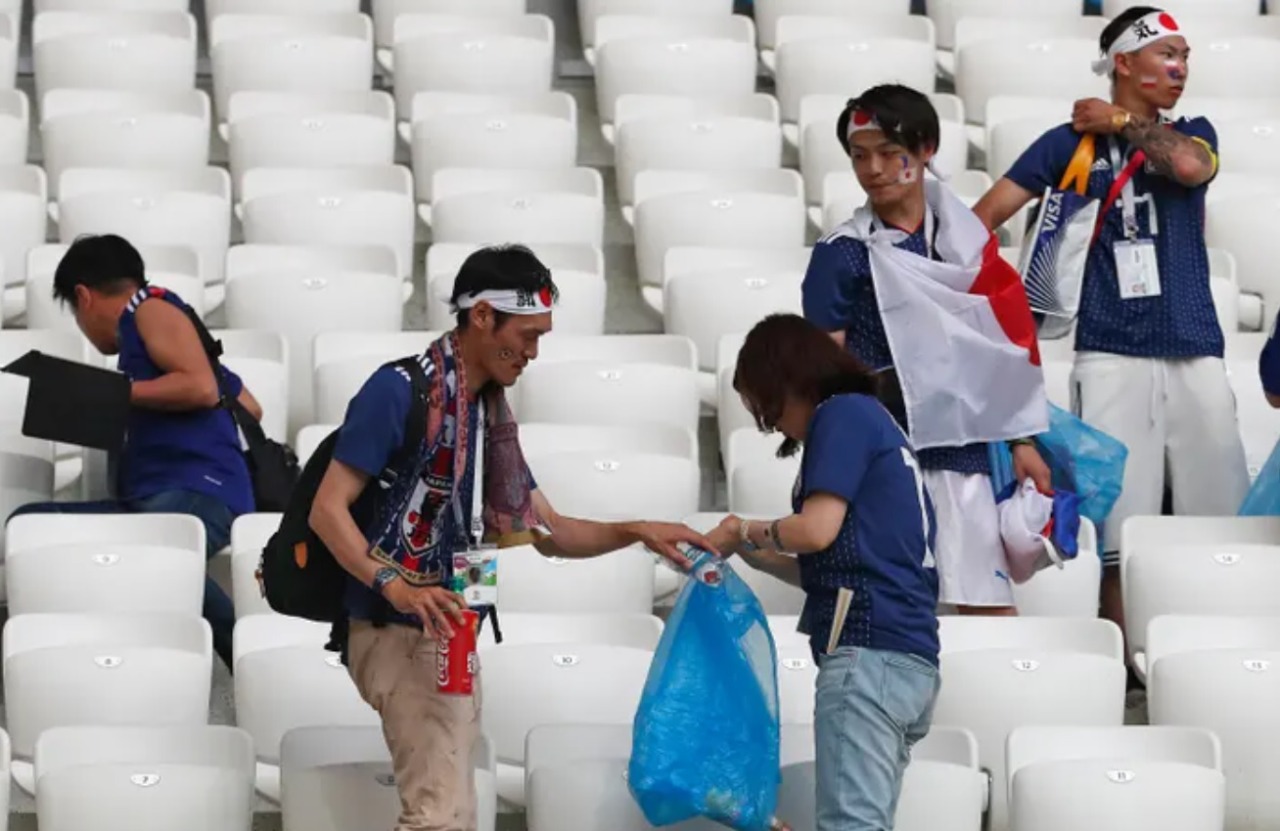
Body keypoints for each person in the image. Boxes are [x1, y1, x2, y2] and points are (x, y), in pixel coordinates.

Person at [308, 244, 717, 831]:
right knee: (439, 816)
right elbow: (327, 511)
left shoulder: (486, 410)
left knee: (454, 812)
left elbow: (548, 531)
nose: (532, 353)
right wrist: (397, 588)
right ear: (481, 317)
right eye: (526, 335)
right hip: (400, 624)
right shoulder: (397, 390)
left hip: (454, 623)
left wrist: (637, 530)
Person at [972, 6, 1249, 640]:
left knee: (1219, 515)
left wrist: (1124, 121)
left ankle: (1224, 636)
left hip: (1194, 347)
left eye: (1185, 59)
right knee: (1118, 527)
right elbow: (982, 217)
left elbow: (1190, 168)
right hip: (1110, 351)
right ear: (1124, 62)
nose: (1179, 70)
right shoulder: (1067, 144)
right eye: (1166, 56)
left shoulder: (1193, 131)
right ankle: (1122, 653)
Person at [802, 83, 1050, 617]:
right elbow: (822, 379)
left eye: (891, 154)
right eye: (860, 156)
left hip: (965, 457)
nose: (874, 169)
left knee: (989, 615)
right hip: (884, 460)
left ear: (926, 150)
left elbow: (1000, 350)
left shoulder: (969, 246)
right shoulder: (840, 255)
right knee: (898, 617)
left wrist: (1022, 441)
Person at [706, 313, 940, 831]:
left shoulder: (842, 414)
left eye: (765, 409)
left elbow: (815, 532)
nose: (771, 427)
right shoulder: (875, 421)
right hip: (908, 658)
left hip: (867, 655)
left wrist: (745, 528)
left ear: (786, 381)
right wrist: (748, 550)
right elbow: (829, 562)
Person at [7, 234, 260, 669]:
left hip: (196, 489)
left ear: (83, 297)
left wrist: (114, 395)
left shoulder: (149, 307)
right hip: (148, 499)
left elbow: (199, 387)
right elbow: (248, 405)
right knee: (30, 527)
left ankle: (250, 657)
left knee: (155, 555)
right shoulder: (169, 333)